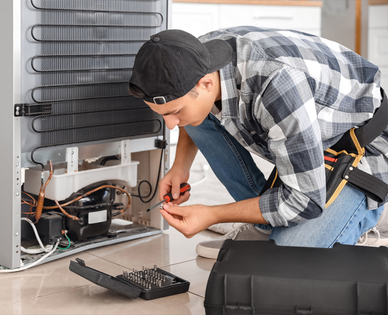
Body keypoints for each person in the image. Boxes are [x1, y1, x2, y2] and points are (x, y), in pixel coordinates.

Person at [128, 26, 388, 258]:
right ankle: (266, 224)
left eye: (174, 112)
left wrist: (213, 213)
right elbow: (191, 108)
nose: (170, 125)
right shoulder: (195, 55)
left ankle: (354, 218)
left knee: (286, 262)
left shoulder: (278, 84)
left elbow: (305, 201)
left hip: (362, 150)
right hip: (306, 130)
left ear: (206, 83)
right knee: (197, 115)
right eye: (163, 115)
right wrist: (180, 166)